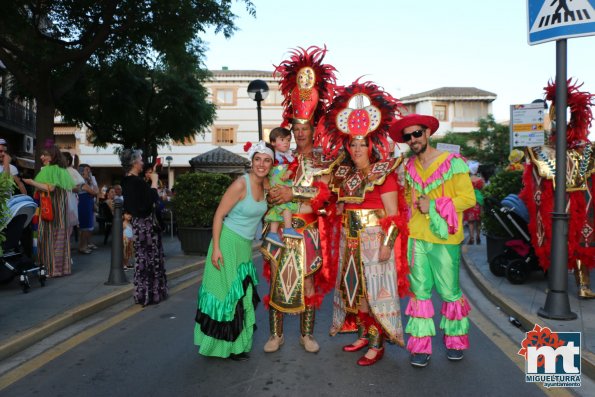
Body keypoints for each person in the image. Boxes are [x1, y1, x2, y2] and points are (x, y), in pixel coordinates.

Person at [321, 80, 410, 366]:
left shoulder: (385, 172)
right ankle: (361, 332)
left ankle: (377, 343)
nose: (357, 148)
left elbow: (394, 215)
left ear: (371, 146)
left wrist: (387, 245)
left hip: (374, 239)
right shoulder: (343, 173)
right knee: (355, 289)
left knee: (374, 293)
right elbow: (332, 200)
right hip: (351, 238)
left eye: (362, 144)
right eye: (353, 143)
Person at [261, 45, 339, 354]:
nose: (301, 133)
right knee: (278, 284)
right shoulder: (284, 161)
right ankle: (275, 335)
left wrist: (294, 192)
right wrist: (274, 195)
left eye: (306, 128)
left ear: (313, 129)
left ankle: (306, 335)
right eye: (296, 128)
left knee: (306, 284)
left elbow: (326, 197)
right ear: (291, 131)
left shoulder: (322, 162)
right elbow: (270, 194)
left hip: (308, 230)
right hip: (282, 230)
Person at [389, 114, 476, 367]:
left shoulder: (453, 162)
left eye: (417, 134)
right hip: (416, 238)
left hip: (445, 239)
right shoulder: (408, 166)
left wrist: (435, 205)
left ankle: (455, 342)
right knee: (419, 293)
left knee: (449, 293)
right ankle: (420, 348)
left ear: (428, 133)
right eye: (408, 137)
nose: (413, 140)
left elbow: (468, 199)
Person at [194, 141, 274, 360]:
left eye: (266, 160)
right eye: (258, 159)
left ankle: (237, 345)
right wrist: (216, 248)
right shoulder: (241, 184)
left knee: (242, 296)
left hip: (245, 248)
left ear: (271, 164)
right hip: (227, 243)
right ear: (252, 160)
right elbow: (219, 215)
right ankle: (220, 347)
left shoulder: (268, 186)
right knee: (226, 295)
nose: (261, 164)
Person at [520, 80, 595, 299]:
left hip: (582, 196)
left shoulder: (586, 147)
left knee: (583, 236)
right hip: (555, 195)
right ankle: (557, 282)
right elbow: (537, 152)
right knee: (556, 237)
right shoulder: (546, 145)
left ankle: (582, 283)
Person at [120, 149, 167, 305]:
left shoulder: (126, 181)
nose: (142, 162)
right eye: (140, 159)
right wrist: (154, 182)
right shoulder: (137, 182)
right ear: (134, 162)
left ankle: (143, 293)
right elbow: (149, 202)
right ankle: (153, 293)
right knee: (151, 258)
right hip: (146, 224)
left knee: (142, 259)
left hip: (137, 224)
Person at [23, 145, 76, 277]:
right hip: (59, 210)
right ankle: (61, 268)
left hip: (51, 211)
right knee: (59, 237)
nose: (41, 157)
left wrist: (31, 182)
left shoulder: (50, 170)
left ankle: (52, 269)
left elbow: (51, 188)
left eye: (44, 155)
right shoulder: (61, 170)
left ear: (51, 157)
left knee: (48, 238)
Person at [263, 127, 302, 246]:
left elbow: (295, 164)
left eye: (288, 140)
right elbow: (264, 169)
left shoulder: (289, 156)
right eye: (282, 139)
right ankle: (288, 228)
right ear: (273, 142)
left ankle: (273, 233)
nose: (286, 142)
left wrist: (289, 172)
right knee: (283, 204)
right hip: (276, 183)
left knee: (279, 206)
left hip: (285, 183)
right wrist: (267, 185)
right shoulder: (271, 156)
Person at [62, 152, 85, 246]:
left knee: (66, 232)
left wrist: (65, 185)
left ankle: (65, 256)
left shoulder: (71, 171)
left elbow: (78, 188)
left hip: (69, 204)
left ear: (67, 161)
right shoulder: (58, 170)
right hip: (61, 204)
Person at [77, 163, 98, 254]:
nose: (88, 171)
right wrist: (92, 182)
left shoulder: (86, 181)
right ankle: (83, 246)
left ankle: (84, 245)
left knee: (86, 227)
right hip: (84, 205)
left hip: (87, 204)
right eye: (86, 170)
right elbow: (95, 192)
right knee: (84, 227)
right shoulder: (81, 182)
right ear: (81, 171)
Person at [463, 160, 485, 245]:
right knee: (478, 221)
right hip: (479, 202)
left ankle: (471, 237)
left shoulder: (467, 180)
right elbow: (484, 190)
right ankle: (478, 236)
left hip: (470, 200)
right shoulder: (481, 180)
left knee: (470, 221)